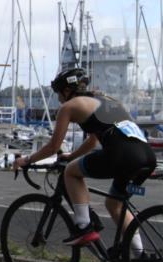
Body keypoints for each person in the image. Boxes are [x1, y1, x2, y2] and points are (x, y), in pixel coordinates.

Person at [13, 68, 157, 249]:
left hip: (122, 156)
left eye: (58, 93)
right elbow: (93, 140)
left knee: (71, 172)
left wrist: (27, 160)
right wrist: (72, 155)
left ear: (67, 90)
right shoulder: (105, 99)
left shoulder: (69, 107)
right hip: (147, 158)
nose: (59, 99)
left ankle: (84, 227)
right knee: (115, 204)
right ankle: (139, 255)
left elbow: (53, 147)